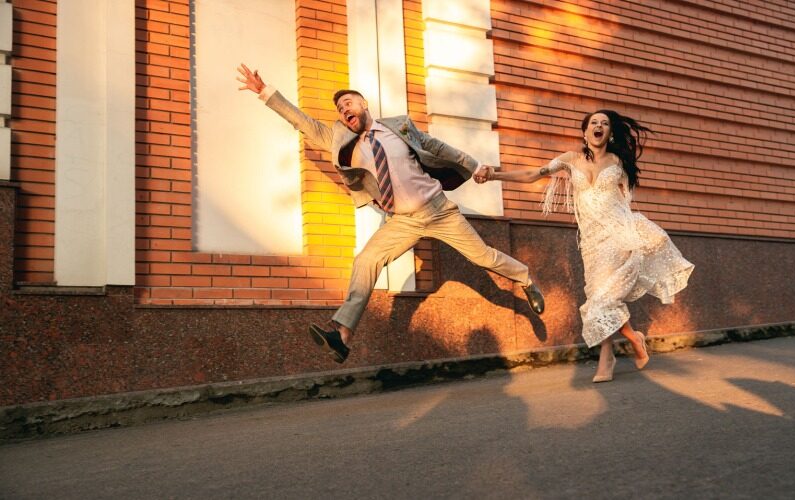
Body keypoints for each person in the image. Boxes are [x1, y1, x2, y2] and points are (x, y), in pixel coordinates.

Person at [236, 63, 545, 364]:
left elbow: (437, 147)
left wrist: (474, 165)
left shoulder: (399, 126)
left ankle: (526, 278)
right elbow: (302, 122)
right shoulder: (340, 141)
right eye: (339, 109)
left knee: (483, 257)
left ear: (363, 104)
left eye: (347, 103)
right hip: (403, 221)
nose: (343, 110)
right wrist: (264, 91)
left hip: (439, 211)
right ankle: (342, 336)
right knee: (366, 260)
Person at [474, 110, 694, 382]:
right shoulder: (570, 160)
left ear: (610, 133)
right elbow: (533, 174)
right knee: (599, 297)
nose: (599, 126)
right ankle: (634, 338)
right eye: (594, 123)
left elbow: (625, 199)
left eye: (604, 123)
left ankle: (606, 356)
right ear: (585, 132)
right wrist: (494, 175)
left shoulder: (618, 161)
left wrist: (635, 232)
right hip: (591, 242)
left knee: (603, 298)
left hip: (617, 235)